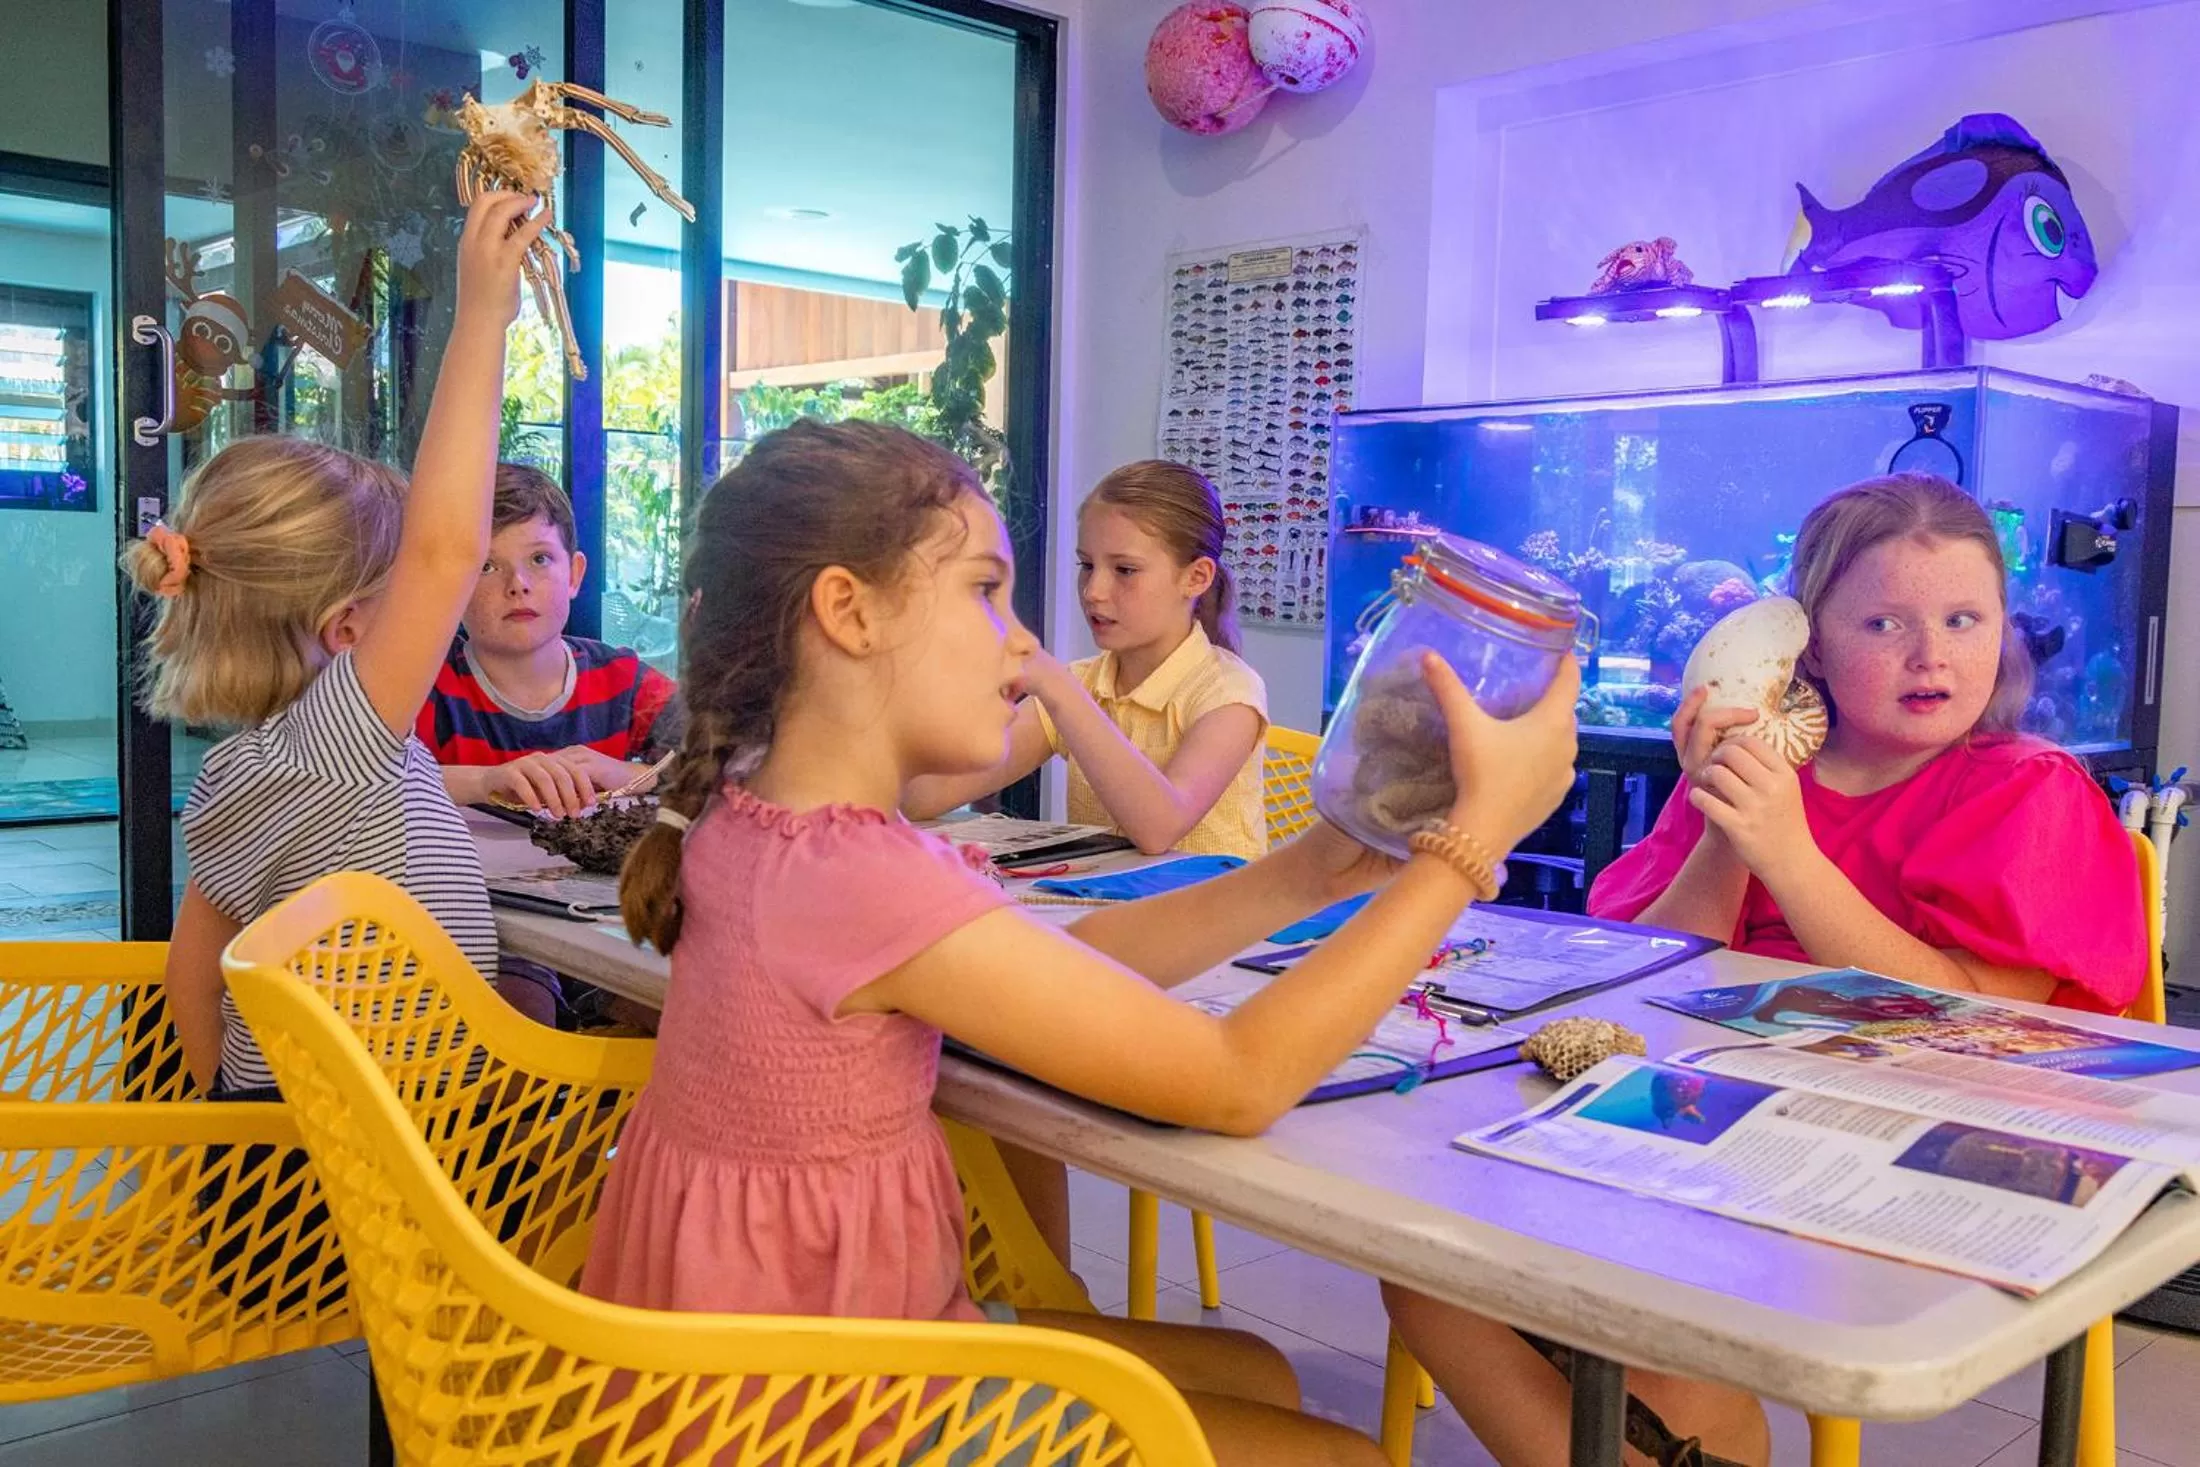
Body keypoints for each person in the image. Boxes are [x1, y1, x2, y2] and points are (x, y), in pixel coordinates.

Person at [578, 419, 1580, 1467]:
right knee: (1344, 1460)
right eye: (982, 590)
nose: (1021, 641)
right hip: (817, 1415)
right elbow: (1237, 1080)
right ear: (848, 610)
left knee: (1257, 1373)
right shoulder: (852, 876)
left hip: (764, 1358)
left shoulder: (769, 823)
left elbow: (1072, 964)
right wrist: (1465, 852)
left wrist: (1316, 869)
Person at [1383, 471, 2146, 1467]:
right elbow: (1649, 966)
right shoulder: (1770, 766)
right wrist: (1729, 823)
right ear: (1809, 645)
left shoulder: (2026, 790)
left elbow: (1970, 1021)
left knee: (1656, 1330)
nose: (1930, 655)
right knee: (1427, 1256)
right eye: (1882, 625)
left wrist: (1792, 855)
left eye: (1964, 619)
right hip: (1714, 1119)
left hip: (1910, 1152)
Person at [125, 191, 545, 1096]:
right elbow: (446, 548)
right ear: (348, 626)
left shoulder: (235, 777)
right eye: (398, 599)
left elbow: (189, 972)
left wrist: (229, 1146)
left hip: (273, 1149)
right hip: (372, 1167)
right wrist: (481, 313)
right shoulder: (340, 736)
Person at [905, 460, 1268, 860]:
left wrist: (1055, 686)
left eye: (1125, 570)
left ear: (1196, 578)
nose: (1093, 591)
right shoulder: (1083, 682)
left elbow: (1159, 827)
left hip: (1216, 916)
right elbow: (923, 797)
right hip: (1110, 910)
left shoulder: (1230, 692)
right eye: (1086, 565)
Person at [417, 461, 681, 819]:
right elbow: (372, 778)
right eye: (486, 566)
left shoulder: (621, 678)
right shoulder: (425, 686)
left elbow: (728, 755)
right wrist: (485, 782)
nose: (518, 584)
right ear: (453, 585)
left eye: (539, 559)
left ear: (574, 575)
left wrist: (633, 774)